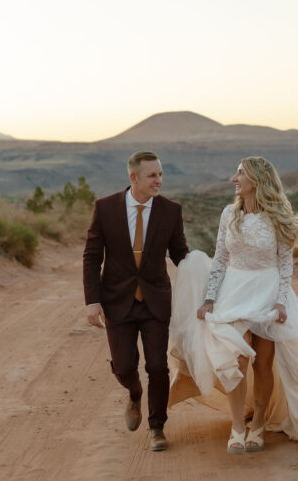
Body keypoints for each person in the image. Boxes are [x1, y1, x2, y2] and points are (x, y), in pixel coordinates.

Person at [168, 157, 298, 454]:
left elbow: (285, 264)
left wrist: (281, 302)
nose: (234, 178)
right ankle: (238, 426)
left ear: (257, 179)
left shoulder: (279, 217)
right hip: (233, 293)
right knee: (234, 360)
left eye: (240, 173)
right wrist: (209, 298)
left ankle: (259, 423)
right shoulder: (229, 214)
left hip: (267, 293)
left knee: (263, 363)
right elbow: (220, 260)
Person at [83, 151, 189, 452]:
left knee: (158, 366)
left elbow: (180, 253)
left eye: (160, 174)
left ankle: (157, 427)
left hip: (155, 301)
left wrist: (208, 275)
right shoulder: (105, 208)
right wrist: (92, 301)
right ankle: (134, 392)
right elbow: (92, 256)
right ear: (134, 178)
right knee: (123, 366)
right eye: (152, 175)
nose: (159, 180)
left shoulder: (170, 210)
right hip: (117, 300)